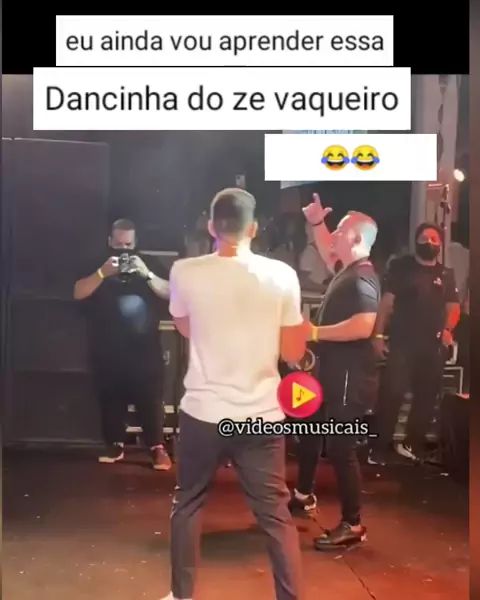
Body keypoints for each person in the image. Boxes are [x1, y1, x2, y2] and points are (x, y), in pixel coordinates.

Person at [162, 189, 306, 600]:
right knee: (275, 516)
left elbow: (186, 328)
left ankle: (182, 596)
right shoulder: (282, 275)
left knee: (188, 503)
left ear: (211, 227)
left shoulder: (184, 271)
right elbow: (293, 353)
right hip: (261, 415)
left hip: (203, 412)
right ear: (254, 229)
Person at [291, 194, 380, 551]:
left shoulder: (363, 278)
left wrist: (314, 332)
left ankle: (353, 524)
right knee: (311, 430)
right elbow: (328, 250)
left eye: (340, 231)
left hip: (349, 379)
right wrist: (317, 223)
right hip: (333, 374)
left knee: (342, 448)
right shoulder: (348, 270)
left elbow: (364, 325)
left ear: (355, 239)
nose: (335, 236)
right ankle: (303, 494)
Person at [73, 219, 172, 470]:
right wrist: (102, 273)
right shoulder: (98, 263)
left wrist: (147, 274)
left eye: (128, 244)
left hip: (145, 348)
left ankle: (157, 447)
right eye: (118, 244)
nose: (124, 250)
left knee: (150, 398)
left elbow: (172, 293)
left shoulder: (149, 263)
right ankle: (114, 444)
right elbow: (78, 292)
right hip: (107, 347)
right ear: (110, 242)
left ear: (136, 242)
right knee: (110, 398)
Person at [369, 222, 460, 464]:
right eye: (424, 238)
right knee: (392, 395)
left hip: (433, 346)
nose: (429, 242)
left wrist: (448, 329)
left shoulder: (446, 274)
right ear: (416, 241)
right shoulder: (401, 267)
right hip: (402, 344)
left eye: (434, 239)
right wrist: (378, 335)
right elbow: (386, 303)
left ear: (440, 244)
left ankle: (412, 446)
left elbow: (453, 307)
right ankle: (378, 449)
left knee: (426, 398)